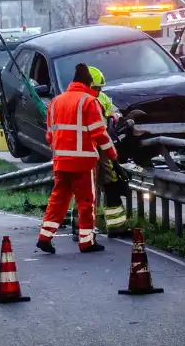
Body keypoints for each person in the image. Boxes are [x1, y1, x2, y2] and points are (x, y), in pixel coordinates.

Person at [36, 63, 117, 254]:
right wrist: (114, 157)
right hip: (83, 163)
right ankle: (87, 242)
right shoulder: (88, 102)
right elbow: (100, 135)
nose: (97, 93)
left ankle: (45, 237)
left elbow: (49, 136)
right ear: (88, 84)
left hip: (61, 161)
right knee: (86, 202)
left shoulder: (56, 102)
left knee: (58, 200)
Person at [88, 66, 130, 238]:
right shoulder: (83, 101)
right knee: (85, 189)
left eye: (100, 88)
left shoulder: (102, 97)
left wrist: (114, 116)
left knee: (111, 184)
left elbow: (114, 111)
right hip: (90, 148)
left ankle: (117, 227)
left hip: (103, 147)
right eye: (95, 88)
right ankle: (81, 228)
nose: (98, 92)